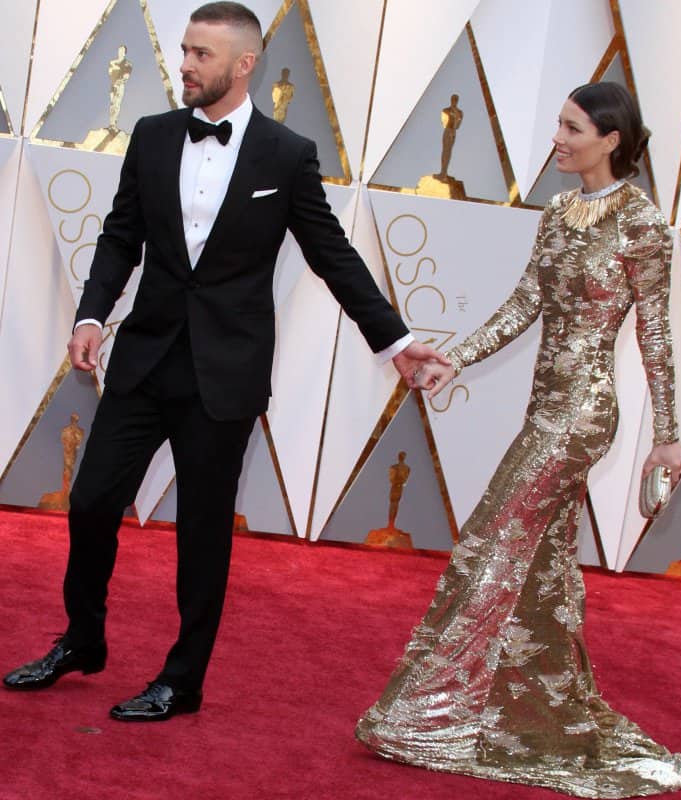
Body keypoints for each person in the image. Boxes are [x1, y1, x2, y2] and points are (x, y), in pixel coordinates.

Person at [3, 1, 446, 721]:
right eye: (183, 51)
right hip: (145, 358)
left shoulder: (287, 155)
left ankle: (182, 680)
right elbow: (121, 238)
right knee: (89, 504)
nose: (185, 65)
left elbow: (332, 256)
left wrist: (394, 342)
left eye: (201, 54)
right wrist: (91, 314)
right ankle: (83, 639)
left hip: (225, 372)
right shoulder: (149, 137)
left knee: (204, 532)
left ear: (243, 65)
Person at [356, 82, 681, 797]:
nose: (557, 138)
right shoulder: (559, 211)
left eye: (572, 128)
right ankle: (544, 720)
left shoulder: (640, 223)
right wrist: (458, 355)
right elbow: (524, 304)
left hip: (583, 413)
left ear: (611, 139)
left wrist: (669, 439)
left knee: (487, 541)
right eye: (558, 124)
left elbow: (657, 334)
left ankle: (424, 716)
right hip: (544, 408)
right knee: (540, 570)